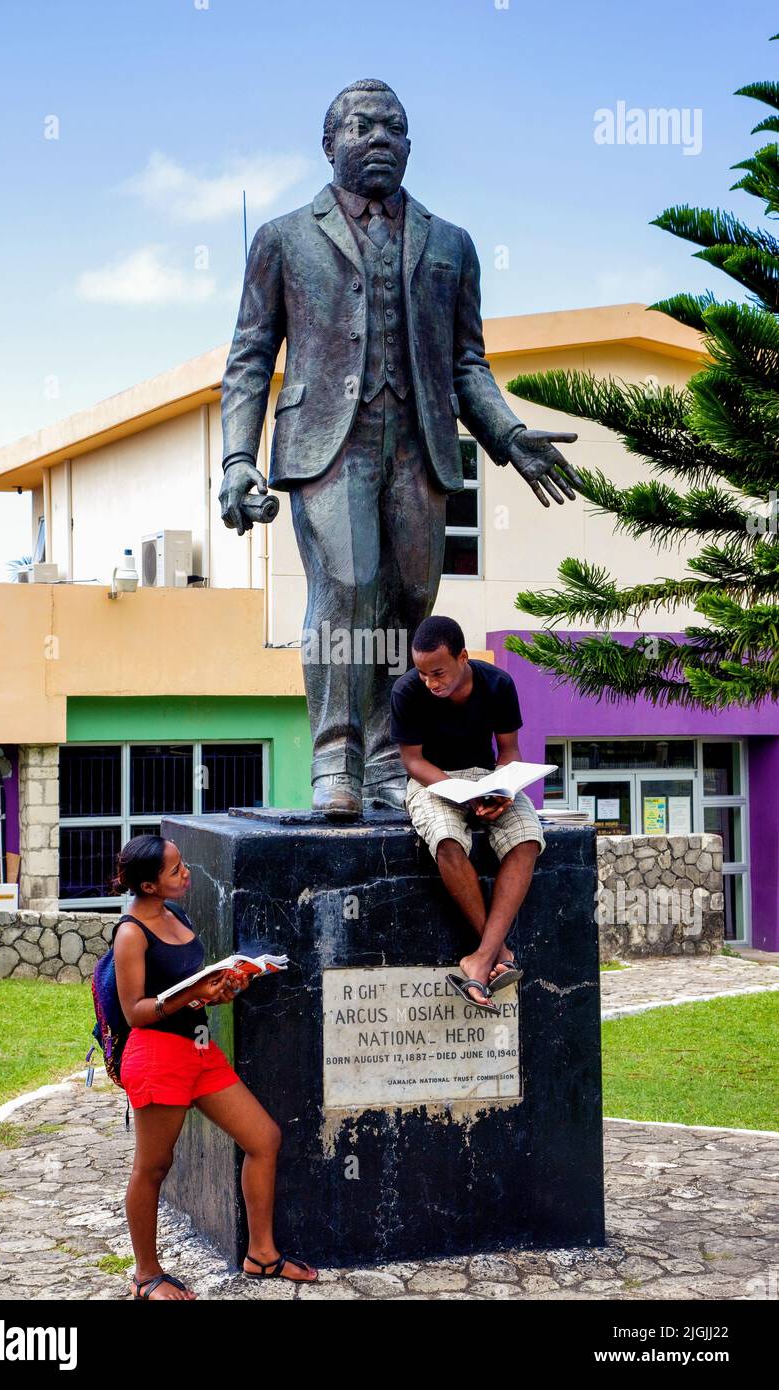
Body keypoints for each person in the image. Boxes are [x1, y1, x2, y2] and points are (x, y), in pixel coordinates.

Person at [219, 78, 581, 818]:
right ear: (330, 145)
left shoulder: (450, 243)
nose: (379, 137)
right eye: (362, 126)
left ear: (411, 145)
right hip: (327, 445)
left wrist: (508, 437)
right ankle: (334, 761)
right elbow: (251, 355)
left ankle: (389, 758)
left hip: (420, 445)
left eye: (394, 127)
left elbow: (466, 363)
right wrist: (235, 458)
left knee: (408, 606)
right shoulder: (283, 239)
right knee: (347, 589)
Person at [111, 833, 318, 1299]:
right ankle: (147, 1276)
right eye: (175, 870)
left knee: (263, 1139)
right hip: (157, 1056)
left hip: (200, 1051)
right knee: (154, 1166)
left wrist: (221, 988)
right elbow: (135, 1012)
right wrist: (192, 994)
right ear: (148, 885)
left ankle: (261, 1255)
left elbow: (190, 988)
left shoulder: (175, 914)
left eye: (182, 865)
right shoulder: (130, 933)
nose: (186, 873)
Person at [390, 615, 546, 1011]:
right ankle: (496, 953)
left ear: (463, 657)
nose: (431, 682)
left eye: (438, 672)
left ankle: (480, 959)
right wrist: (458, 795)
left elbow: (509, 750)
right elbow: (413, 761)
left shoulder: (498, 684)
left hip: (488, 778)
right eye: (423, 673)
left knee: (527, 839)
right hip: (433, 781)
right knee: (445, 839)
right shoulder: (407, 692)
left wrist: (504, 787)